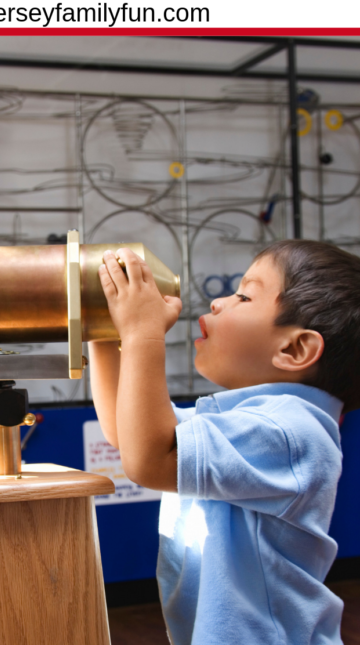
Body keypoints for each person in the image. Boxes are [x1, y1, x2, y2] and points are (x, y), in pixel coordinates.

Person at [88, 239, 360, 645]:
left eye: (244, 295)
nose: (218, 303)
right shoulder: (245, 422)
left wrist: (142, 332)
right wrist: (104, 332)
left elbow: (148, 459)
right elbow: (127, 435)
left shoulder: (290, 431)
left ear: (295, 348)